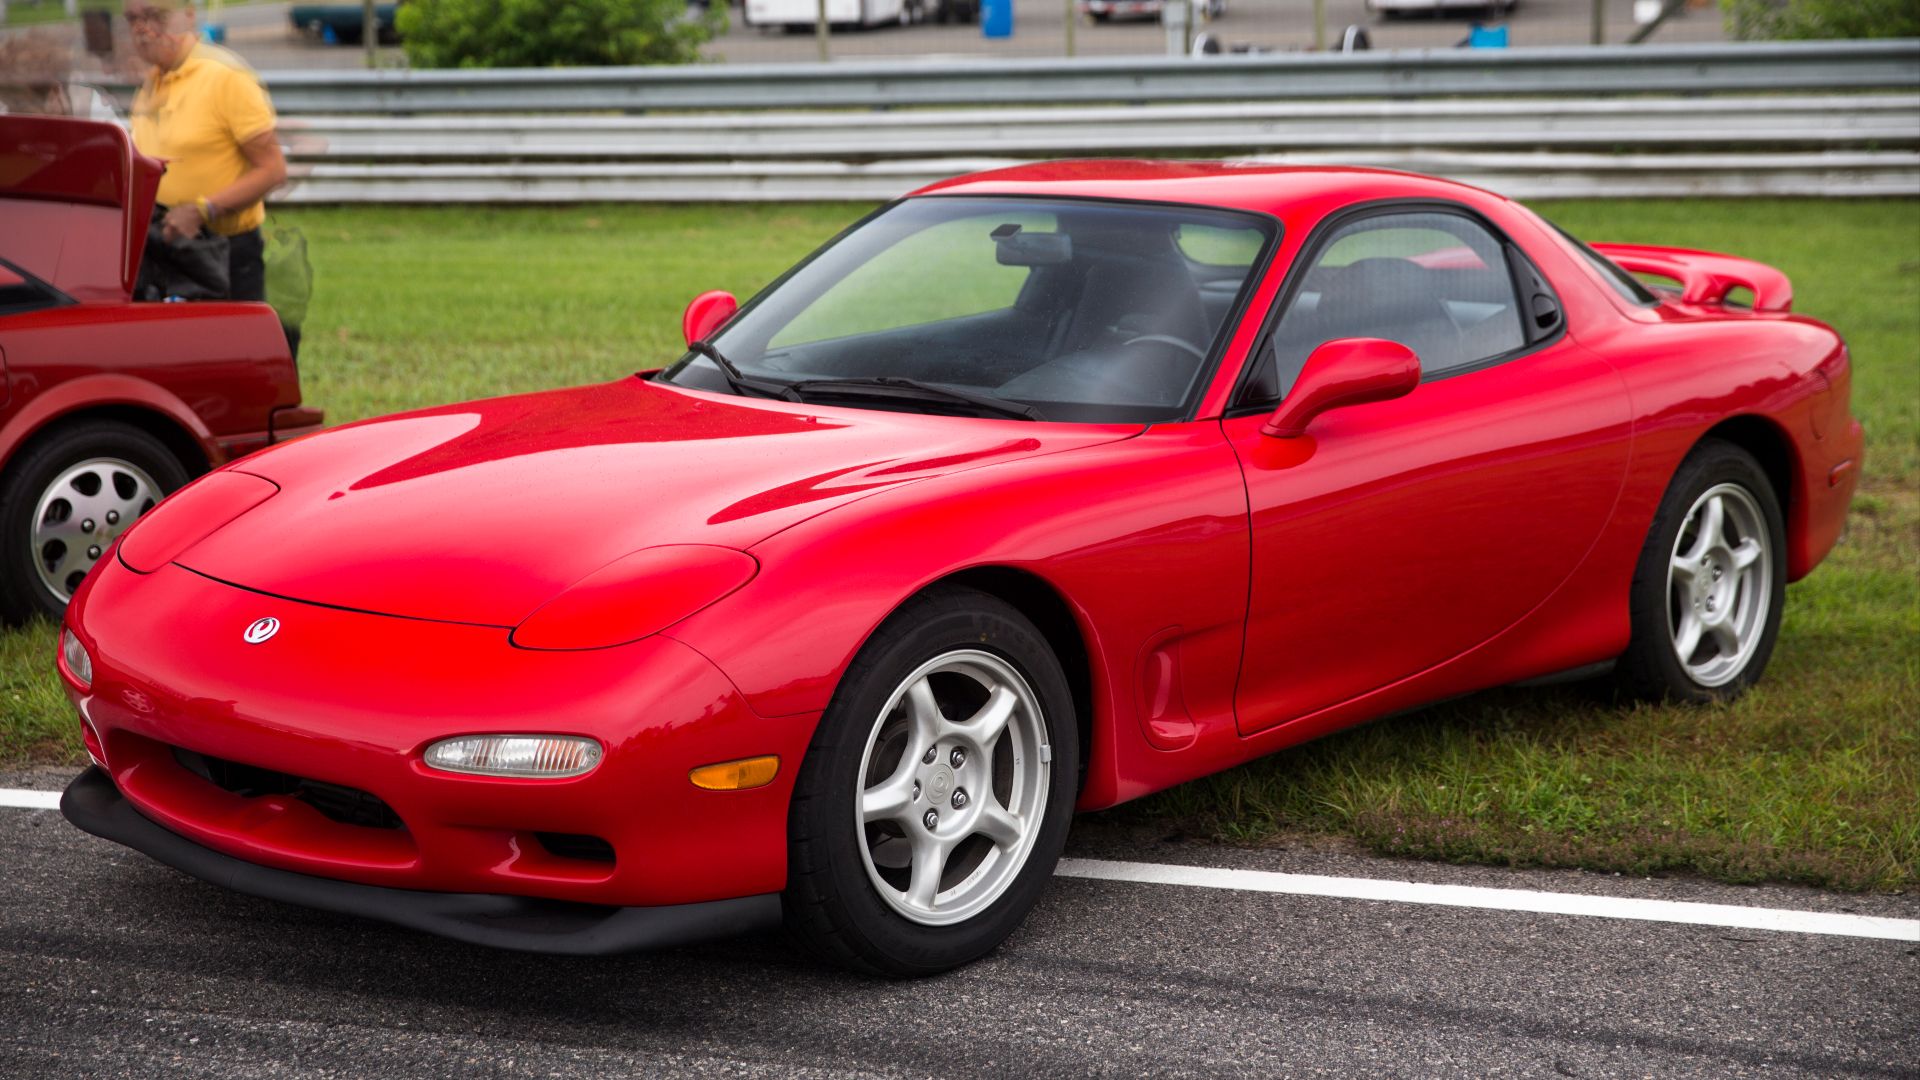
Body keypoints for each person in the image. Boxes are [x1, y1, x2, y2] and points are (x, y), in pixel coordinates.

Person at [123, 0, 297, 353]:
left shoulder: (226, 77)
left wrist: (203, 210)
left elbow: (273, 169)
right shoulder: (151, 84)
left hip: (224, 253)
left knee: (240, 357)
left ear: (189, 14)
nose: (143, 29)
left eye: (154, 15)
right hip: (169, 250)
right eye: (133, 19)